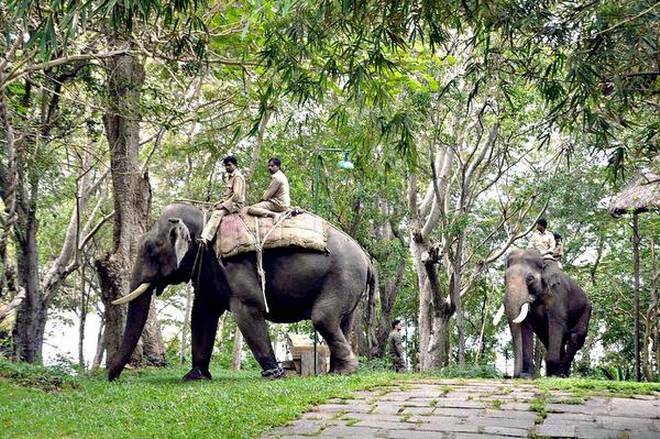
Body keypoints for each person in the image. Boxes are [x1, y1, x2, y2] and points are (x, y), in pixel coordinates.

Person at [199, 155, 246, 244]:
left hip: (236, 205)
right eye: (225, 165)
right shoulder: (231, 176)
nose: (227, 167)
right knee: (211, 209)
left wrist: (223, 205)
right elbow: (228, 195)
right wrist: (219, 202)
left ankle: (206, 237)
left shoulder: (237, 177)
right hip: (230, 202)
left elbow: (236, 196)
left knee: (217, 214)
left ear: (235, 165)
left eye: (229, 165)